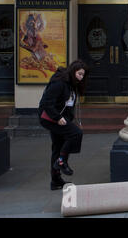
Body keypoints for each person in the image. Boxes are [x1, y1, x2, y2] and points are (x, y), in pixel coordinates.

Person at [38, 59, 89, 190]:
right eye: (79, 74)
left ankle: (55, 181)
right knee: (76, 134)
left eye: (83, 75)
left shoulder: (71, 84)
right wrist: (57, 117)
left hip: (62, 119)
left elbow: (67, 105)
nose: (81, 77)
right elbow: (46, 103)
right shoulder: (59, 83)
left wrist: (70, 119)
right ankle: (61, 161)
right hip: (49, 118)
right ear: (73, 71)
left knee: (57, 147)